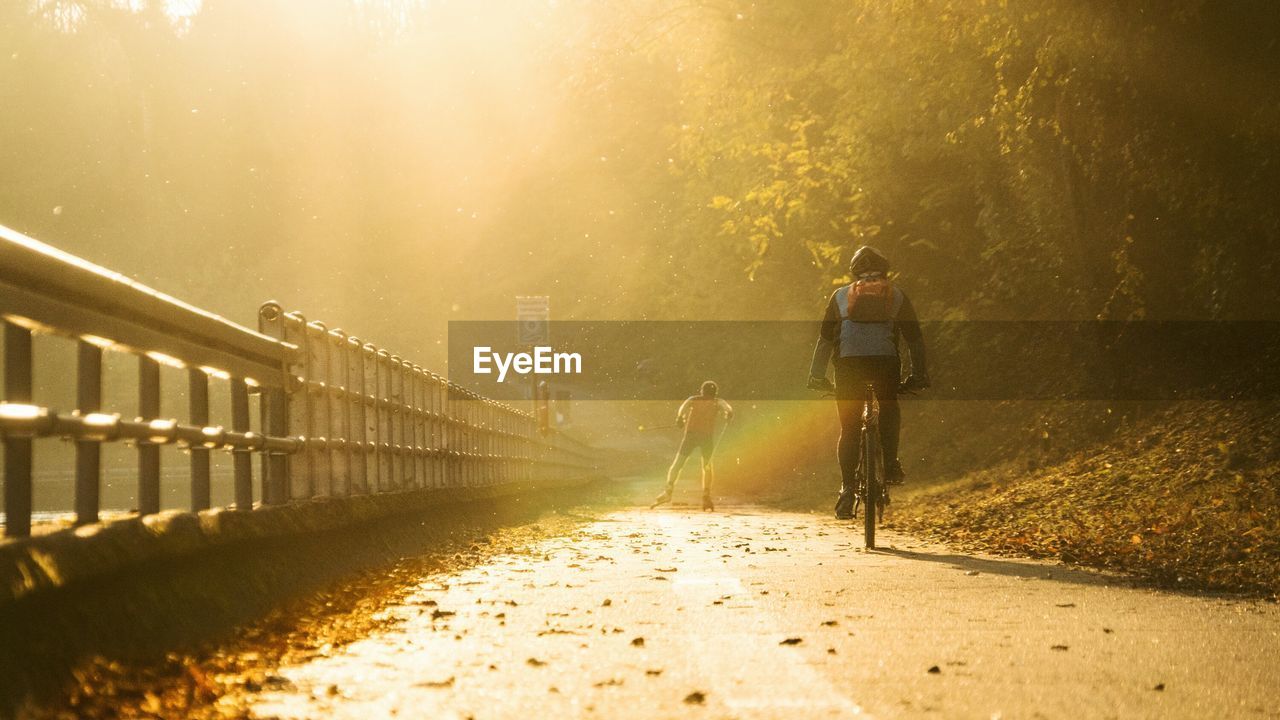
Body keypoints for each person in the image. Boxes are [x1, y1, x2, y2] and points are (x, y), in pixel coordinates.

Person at [808, 246, 928, 520]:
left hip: (848, 366)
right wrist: (919, 374)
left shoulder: (839, 296)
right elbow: (914, 339)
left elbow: (825, 340)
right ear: (885, 271)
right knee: (889, 407)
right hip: (884, 363)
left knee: (849, 428)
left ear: (854, 273)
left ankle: (847, 489)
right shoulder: (896, 294)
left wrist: (816, 376)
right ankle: (892, 464)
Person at [651, 380, 733, 512]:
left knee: (678, 464)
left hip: (691, 436)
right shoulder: (717, 401)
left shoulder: (694, 399)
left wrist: (680, 418)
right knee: (707, 466)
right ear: (715, 392)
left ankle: (668, 491)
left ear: (701, 390)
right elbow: (727, 407)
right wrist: (728, 414)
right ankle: (706, 495)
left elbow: (683, 408)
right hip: (706, 438)